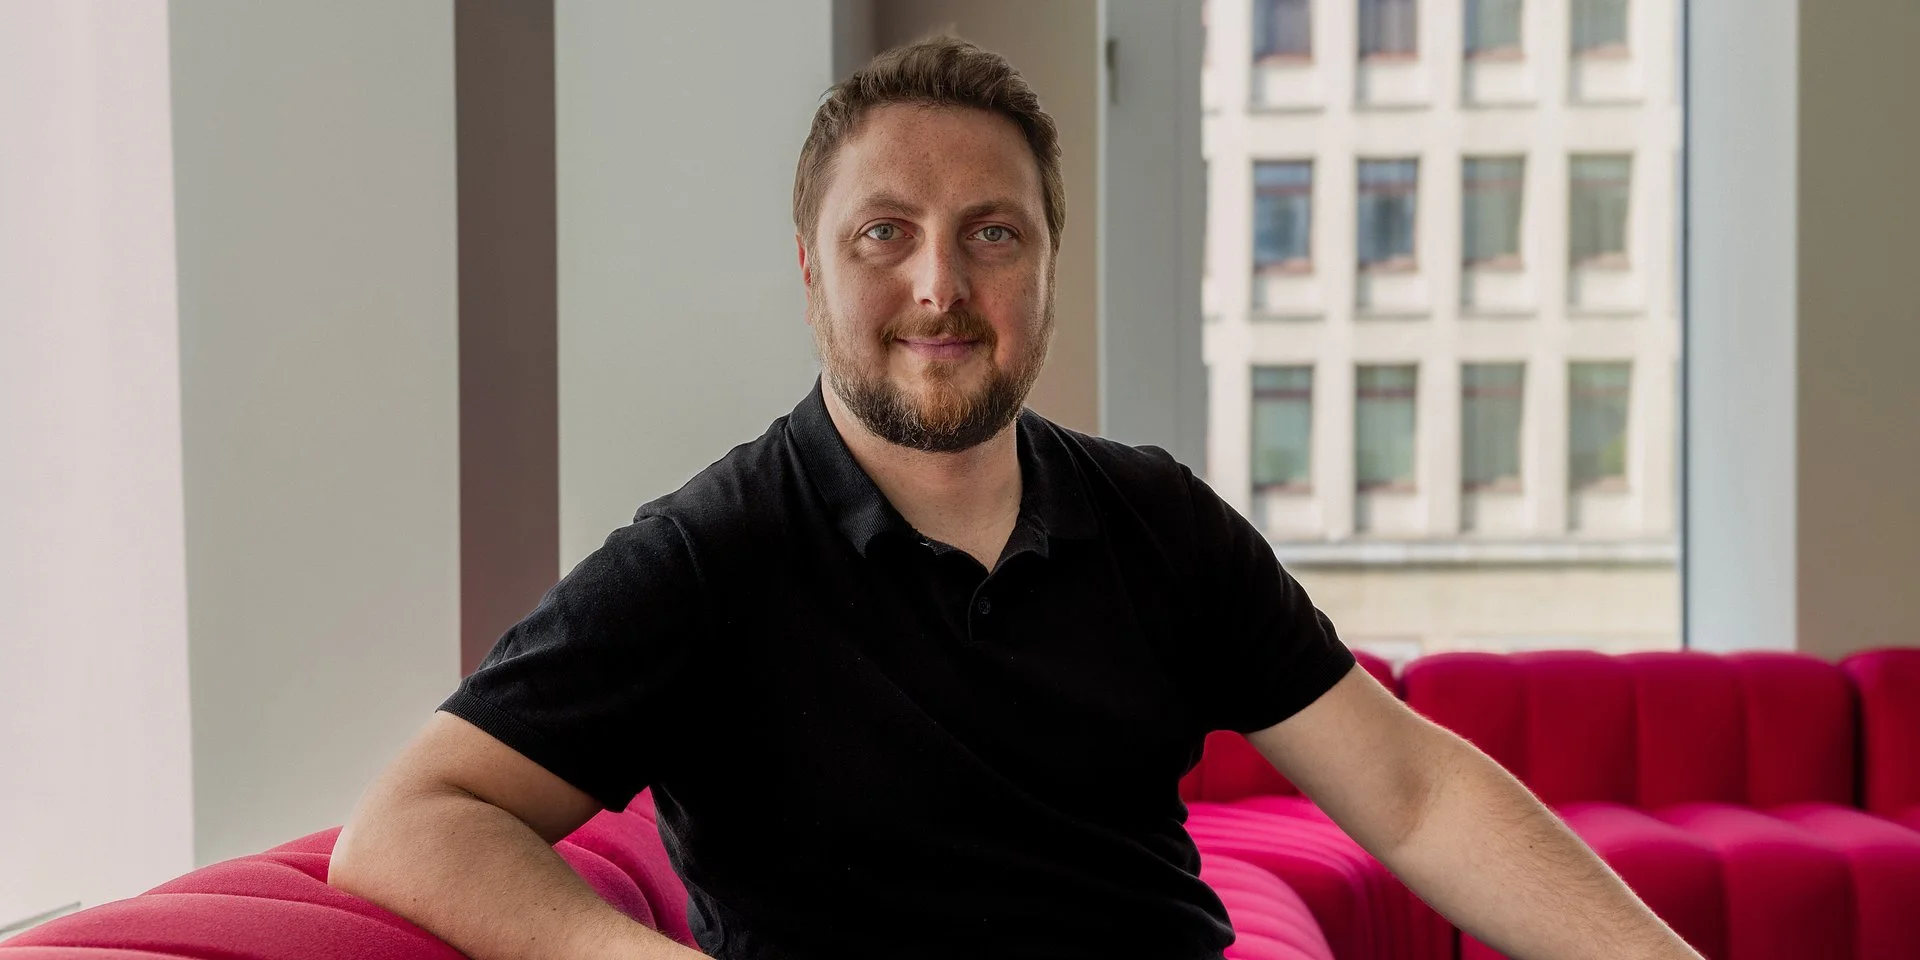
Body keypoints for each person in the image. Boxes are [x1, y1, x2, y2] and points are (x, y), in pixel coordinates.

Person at [328, 36, 1702, 960]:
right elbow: (412, 821)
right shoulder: (708, 558)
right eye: (885, 234)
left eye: (992, 233)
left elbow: (1412, 793)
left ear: (1046, 268)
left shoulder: (1158, 520)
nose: (940, 285)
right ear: (810, 273)